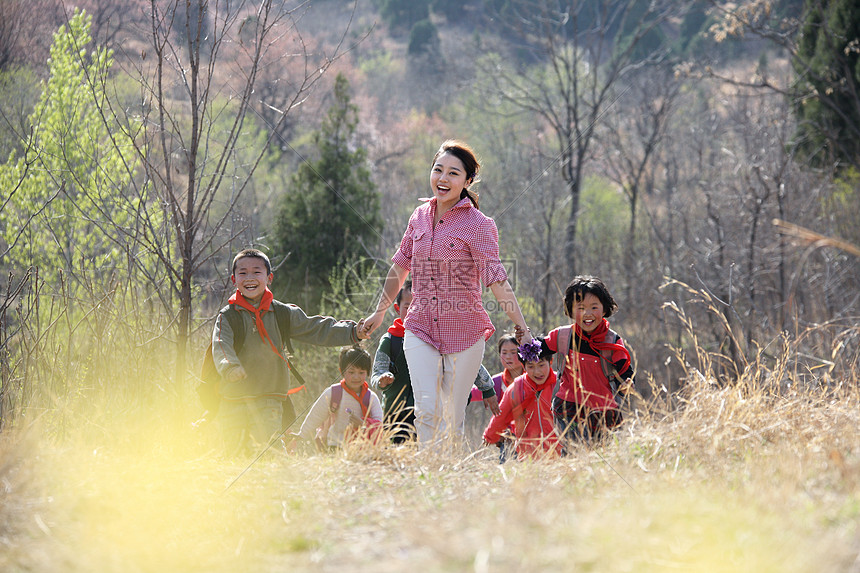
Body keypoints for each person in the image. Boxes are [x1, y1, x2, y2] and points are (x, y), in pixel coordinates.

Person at [362, 139, 531, 448]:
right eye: (438, 170)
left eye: (453, 173)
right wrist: (378, 311)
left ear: (467, 181)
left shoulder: (479, 225)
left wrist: (523, 328)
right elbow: (400, 266)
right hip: (420, 326)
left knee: (451, 416)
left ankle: (446, 476)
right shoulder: (419, 217)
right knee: (426, 410)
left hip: (465, 331)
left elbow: (496, 280)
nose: (443, 178)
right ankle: (427, 477)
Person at [212, 248, 368, 455]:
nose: (249, 278)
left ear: (269, 277)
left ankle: (274, 483)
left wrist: (353, 332)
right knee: (232, 454)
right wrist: (230, 367)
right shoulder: (228, 316)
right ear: (234, 279)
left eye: (256, 272)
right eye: (243, 273)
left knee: (268, 451)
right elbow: (221, 344)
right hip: (233, 397)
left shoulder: (282, 314)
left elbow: (317, 328)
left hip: (270, 397)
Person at [371, 280, 499, 443]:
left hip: (433, 415)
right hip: (396, 417)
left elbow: (466, 361)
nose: (413, 311)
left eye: (419, 306)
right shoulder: (391, 340)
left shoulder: (439, 337)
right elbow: (377, 372)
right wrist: (383, 379)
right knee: (399, 462)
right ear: (397, 309)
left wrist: (487, 388)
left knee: (431, 453)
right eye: (407, 306)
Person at [542, 275, 635, 442]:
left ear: (605, 309)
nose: (587, 314)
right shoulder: (562, 336)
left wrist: (627, 383)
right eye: (580, 307)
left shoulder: (612, 341)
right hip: (568, 407)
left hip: (604, 411)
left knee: (601, 454)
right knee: (573, 452)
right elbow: (538, 349)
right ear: (570, 310)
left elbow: (625, 371)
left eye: (594, 307)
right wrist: (524, 339)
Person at [483, 338, 564, 460]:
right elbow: (501, 414)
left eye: (541, 365)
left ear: (551, 361)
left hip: (559, 454)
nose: (537, 371)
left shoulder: (560, 384)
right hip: (527, 457)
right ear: (524, 366)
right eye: (530, 366)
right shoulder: (518, 387)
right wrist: (490, 436)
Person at [295, 346, 383, 450]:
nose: (356, 377)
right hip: (334, 446)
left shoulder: (371, 397)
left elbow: (380, 425)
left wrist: (363, 424)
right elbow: (316, 416)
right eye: (351, 372)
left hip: (362, 449)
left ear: (368, 373)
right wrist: (301, 435)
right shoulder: (333, 392)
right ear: (342, 371)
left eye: (361, 372)